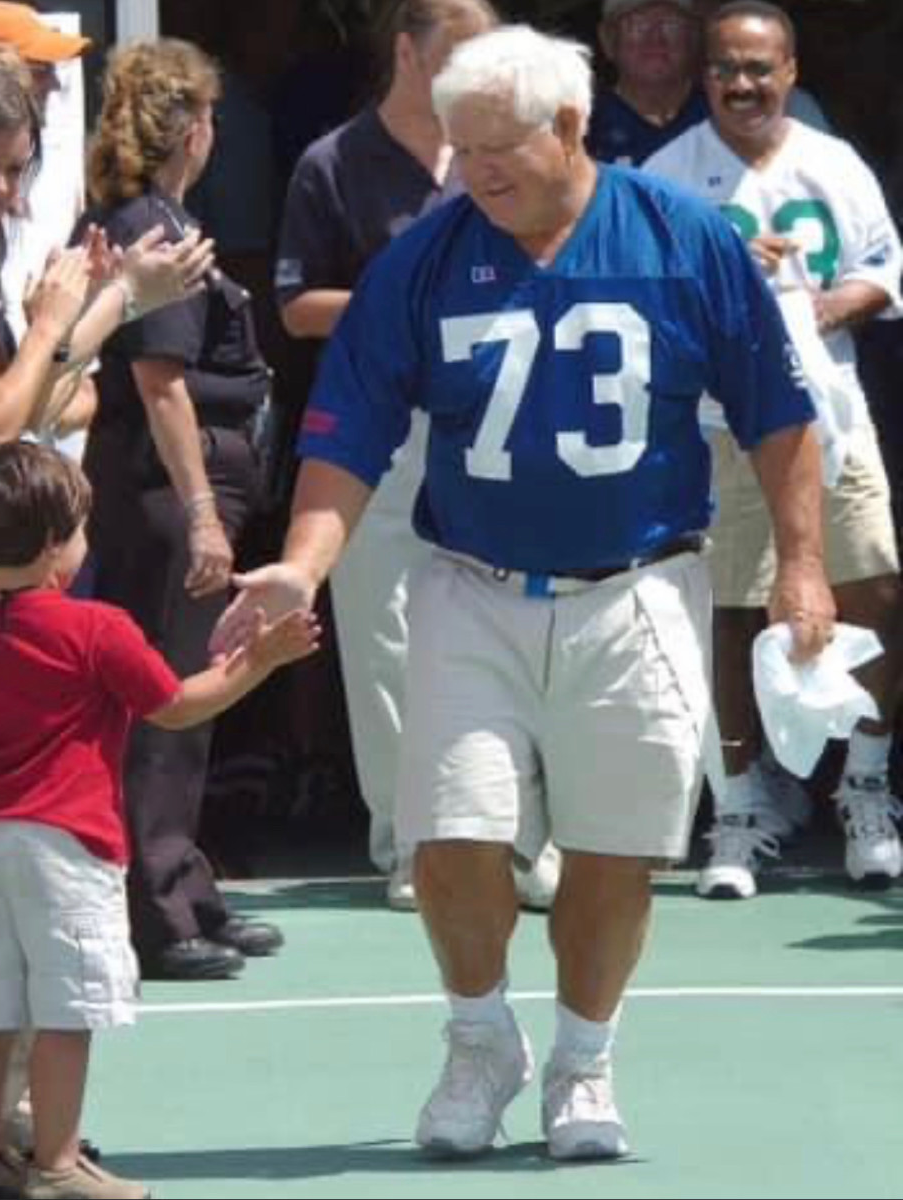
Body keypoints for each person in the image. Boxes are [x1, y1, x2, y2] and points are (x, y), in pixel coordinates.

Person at [213, 24, 834, 1158]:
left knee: (612, 847)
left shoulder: (684, 240)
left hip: (639, 585)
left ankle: (584, 1065)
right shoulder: (424, 259)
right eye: (459, 147)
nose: (475, 171)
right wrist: (301, 564)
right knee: (448, 833)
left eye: (498, 147)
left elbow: (779, 415)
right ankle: (479, 1038)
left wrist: (800, 564)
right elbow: (348, 431)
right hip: (470, 582)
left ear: (568, 125)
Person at [0, 57, 213, 1161]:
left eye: (14, 172)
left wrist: (105, 306)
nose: (1, 192)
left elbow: (42, 396)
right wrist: (60, 317)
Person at [0, 441, 318, 1200]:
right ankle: (56, 1164)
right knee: (64, 1014)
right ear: (56, 546)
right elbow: (177, 704)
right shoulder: (97, 629)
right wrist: (262, 661)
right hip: (66, 848)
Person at [645, 0, 903, 898]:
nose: (744, 85)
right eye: (727, 68)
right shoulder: (667, 177)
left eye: (761, 68)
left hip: (830, 414)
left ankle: (866, 787)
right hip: (719, 426)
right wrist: (725, 281)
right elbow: (642, 303)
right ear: (702, 75)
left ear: (791, 71)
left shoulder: (834, 163)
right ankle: (742, 803)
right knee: (727, 608)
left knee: (873, 589)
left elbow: (882, 269)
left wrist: (819, 307)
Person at [275, 0, 501, 910]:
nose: (477, 75)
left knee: (505, 633)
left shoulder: (499, 153)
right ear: (408, 53)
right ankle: (411, 844)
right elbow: (293, 307)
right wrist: (408, 300)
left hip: (494, 427)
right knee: (386, 644)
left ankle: (507, 842)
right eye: (460, 54)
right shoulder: (331, 162)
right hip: (375, 432)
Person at [82, 39, 289, 980]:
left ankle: (184, 880)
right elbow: (160, 382)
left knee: (195, 692)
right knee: (166, 699)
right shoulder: (151, 230)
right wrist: (204, 510)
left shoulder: (161, 217)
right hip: (168, 490)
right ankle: (155, 910)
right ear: (194, 127)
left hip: (187, 480)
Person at [0, 1, 97, 454]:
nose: (54, 83)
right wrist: (49, 328)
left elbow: (37, 404)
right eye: (38, 68)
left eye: (16, 170)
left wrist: (121, 295)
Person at [587, 0, 828, 167]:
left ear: (695, 37)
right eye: (637, 25)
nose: (655, 38)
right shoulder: (578, 122)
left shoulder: (751, 108)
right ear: (607, 40)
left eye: (671, 25)